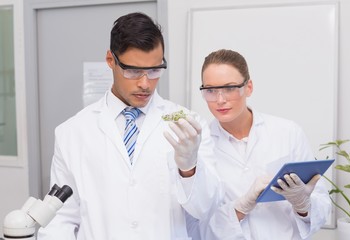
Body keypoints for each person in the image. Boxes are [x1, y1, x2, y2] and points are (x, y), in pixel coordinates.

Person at [37, 12, 220, 240]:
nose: (145, 83)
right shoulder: (72, 132)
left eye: (154, 70)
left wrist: (189, 168)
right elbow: (60, 218)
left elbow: (205, 210)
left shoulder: (190, 126)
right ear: (110, 60)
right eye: (133, 71)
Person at [198, 49, 331, 239]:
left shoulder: (287, 132)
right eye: (210, 90)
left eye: (229, 88)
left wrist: (303, 205)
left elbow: (322, 204)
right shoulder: (200, 145)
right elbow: (197, 225)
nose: (220, 100)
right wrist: (241, 206)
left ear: (249, 87)